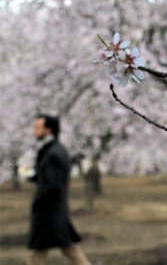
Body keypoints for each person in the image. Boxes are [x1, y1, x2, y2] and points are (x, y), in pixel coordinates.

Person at [27, 114, 92, 265]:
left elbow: (53, 185)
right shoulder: (52, 150)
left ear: (48, 130)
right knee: (69, 250)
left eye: (38, 127)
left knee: (37, 254)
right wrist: (32, 175)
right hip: (54, 212)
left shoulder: (53, 153)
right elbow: (48, 178)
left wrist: (39, 200)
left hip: (49, 212)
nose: (34, 131)